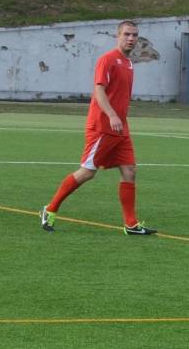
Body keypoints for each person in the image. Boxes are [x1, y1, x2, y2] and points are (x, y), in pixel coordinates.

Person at [40, 20, 156, 236]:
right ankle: (50, 208)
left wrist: (119, 117)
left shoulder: (129, 63)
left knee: (129, 171)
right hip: (103, 126)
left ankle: (131, 224)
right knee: (87, 173)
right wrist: (112, 114)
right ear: (118, 35)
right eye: (127, 34)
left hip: (121, 128)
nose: (131, 38)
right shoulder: (108, 60)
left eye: (134, 35)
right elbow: (98, 90)